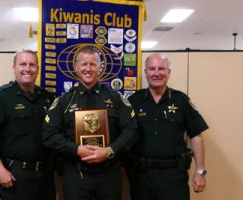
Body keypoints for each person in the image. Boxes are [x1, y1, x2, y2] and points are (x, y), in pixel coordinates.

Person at [42, 45, 138, 200]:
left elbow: (132, 129)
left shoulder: (115, 98)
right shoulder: (63, 101)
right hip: (75, 174)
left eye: (93, 64)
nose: (88, 68)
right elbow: (48, 134)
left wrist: (109, 151)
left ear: (100, 67)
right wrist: (77, 149)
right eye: (84, 64)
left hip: (109, 173)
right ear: (76, 67)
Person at [0, 49, 56, 200]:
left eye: (32, 64)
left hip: (45, 176)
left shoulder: (47, 98)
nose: (27, 69)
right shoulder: (1, 97)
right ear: (14, 68)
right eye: (22, 64)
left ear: (37, 68)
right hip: (15, 176)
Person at [126, 53, 209, 200]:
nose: (157, 73)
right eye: (152, 69)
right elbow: (124, 135)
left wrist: (200, 171)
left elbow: (196, 135)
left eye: (161, 69)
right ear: (145, 73)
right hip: (141, 177)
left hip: (174, 176)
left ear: (169, 72)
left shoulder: (181, 100)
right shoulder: (134, 101)